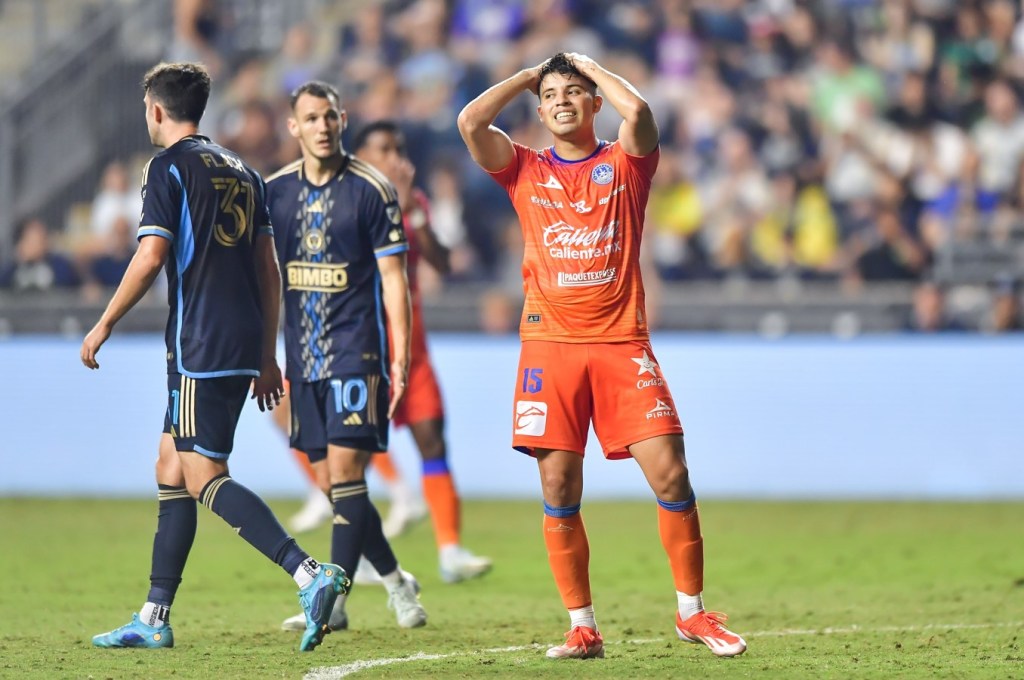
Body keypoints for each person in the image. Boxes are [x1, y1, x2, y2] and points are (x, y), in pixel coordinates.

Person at [457, 52, 747, 659]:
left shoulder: (626, 166)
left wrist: (589, 66)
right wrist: (528, 75)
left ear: (593, 104)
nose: (562, 100)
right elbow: (470, 125)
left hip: (621, 344)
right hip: (549, 348)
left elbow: (638, 111)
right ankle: (582, 626)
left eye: (575, 92)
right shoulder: (524, 170)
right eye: (552, 95)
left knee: (671, 470)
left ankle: (692, 613)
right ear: (539, 110)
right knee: (559, 483)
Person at [80, 62, 347, 653]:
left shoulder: (167, 168)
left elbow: (151, 257)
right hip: (240, 338)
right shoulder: (244, 171)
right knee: (171, 465)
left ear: (155, 109)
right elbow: (268, 270)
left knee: (204, 476)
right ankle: (154, 615)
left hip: (198, 342)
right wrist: (267, 354)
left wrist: (103, 323)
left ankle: (309, 575)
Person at [265, 81, 427, 633]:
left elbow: (393, 280)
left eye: (330, 116)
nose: (322, 126)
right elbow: (266, 276)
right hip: (302, 360)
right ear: (295, 127)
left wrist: (399, 358)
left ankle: (331, 602)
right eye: (310, 118)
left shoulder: (371, 189)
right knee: (335, 486)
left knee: (345, 472)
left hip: (356, 353)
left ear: (343, 119)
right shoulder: (275, 193)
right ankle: (398, 582)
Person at [349, 120, 492, 583]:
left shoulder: (415, 203)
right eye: (383, 148)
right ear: (360, 156)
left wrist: (411, 211)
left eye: (399, 148)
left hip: (414, 349)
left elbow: (442, 262)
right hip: (363, 346)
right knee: (356, 458)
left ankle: (450, 551)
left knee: (432, 440)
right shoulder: (345, 198)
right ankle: (359, 557)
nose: (395, 157)